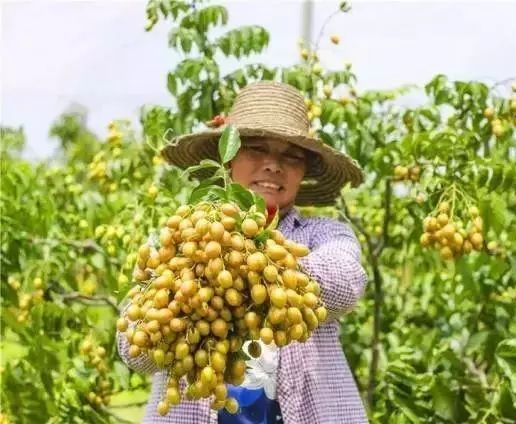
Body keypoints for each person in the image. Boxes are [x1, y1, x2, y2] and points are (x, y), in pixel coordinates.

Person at [117, 81, 369, 423]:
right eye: (255, 148)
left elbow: (345, 284)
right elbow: (134, 352)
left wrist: (246, 257)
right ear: (228, 157)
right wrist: (187, 285)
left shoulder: (324, 235)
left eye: (291, 156)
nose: (273, 164)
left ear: (304, 171)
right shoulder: (179, 239)